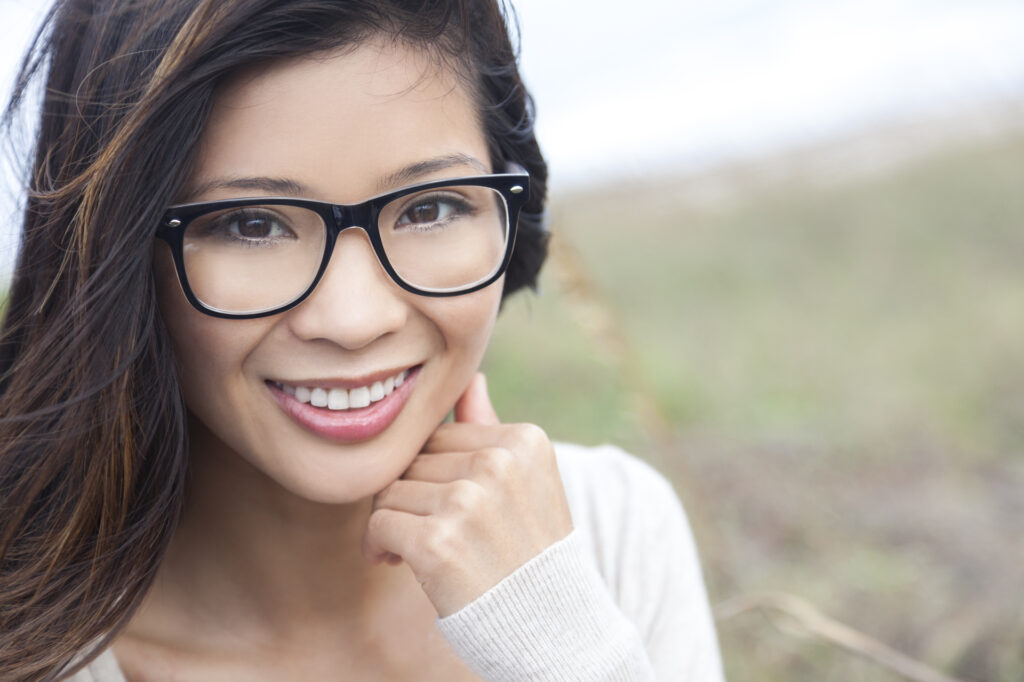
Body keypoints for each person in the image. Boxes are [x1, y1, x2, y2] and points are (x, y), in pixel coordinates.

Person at [0, 1, 724, 680]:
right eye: (252, 224)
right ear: (118, 255)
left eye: (430, 208)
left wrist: (559, 644)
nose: (353, 321)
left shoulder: (611, 532)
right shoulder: (38, 654)